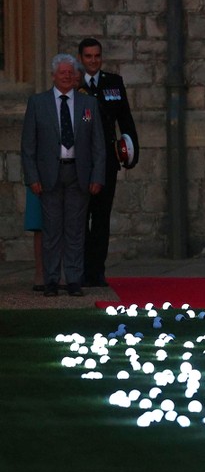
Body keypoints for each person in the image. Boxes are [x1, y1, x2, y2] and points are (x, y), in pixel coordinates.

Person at [21, 53, 105, 297]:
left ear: (75, 76)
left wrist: (97, 176)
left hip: (79, 173)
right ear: (53, 75)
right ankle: (51, 280)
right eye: (62, 72)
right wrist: (32, 177)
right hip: (48, 175)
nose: (67, 76)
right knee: (51, 231)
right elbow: (28, 146)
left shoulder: (88, 105)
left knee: (76, 230)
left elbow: (98, 144)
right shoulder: (38, 103)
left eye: (71, 72)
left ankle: (74, 280)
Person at [78, 37, 140, 287]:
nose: (93, 61)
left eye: (97, 56)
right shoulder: (74, 83)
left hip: (107, 162)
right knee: (81, 219)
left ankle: (97, 272)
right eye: (88, 57)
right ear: (81, 58)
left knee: (101, 219)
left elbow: (125, 119)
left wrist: (132, 154)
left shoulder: (113, 83)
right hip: (80, 163)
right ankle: (80, 271)